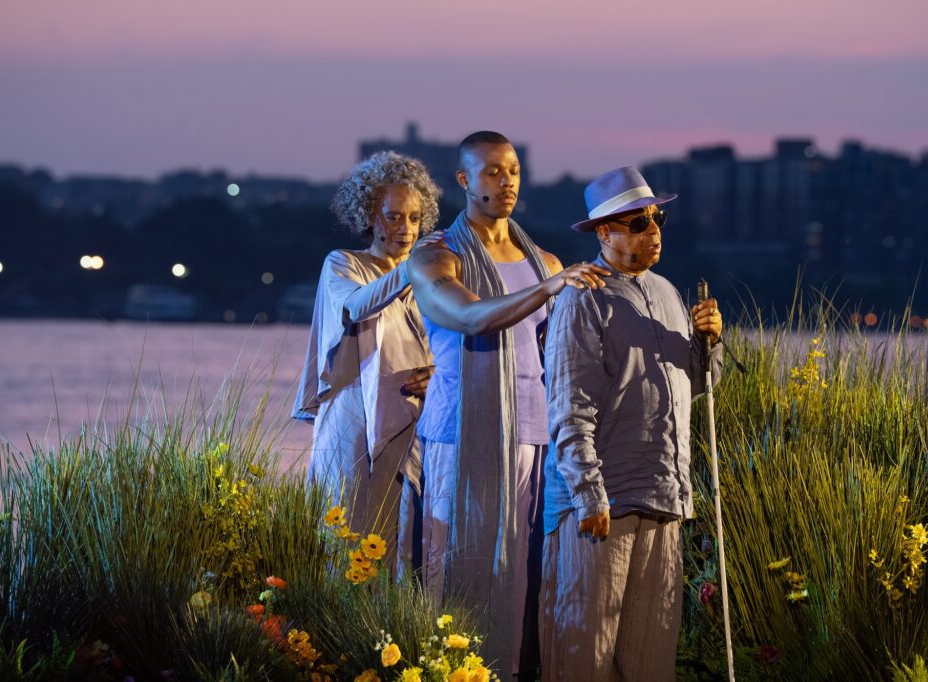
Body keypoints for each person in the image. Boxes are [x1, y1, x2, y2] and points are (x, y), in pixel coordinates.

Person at [407, 131, 609, 678]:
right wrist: (549, 290)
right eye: (492, 171)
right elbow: (471, 317)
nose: (507, 180)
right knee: (456, 567)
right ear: (464, 181)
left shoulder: (543, 260)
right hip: (462, 433)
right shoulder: (433, 257)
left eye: (514, 169)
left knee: (525, 575)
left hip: (537, 433)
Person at [538, 166, 724, 681]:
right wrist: (588, 493)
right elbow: (568, 402)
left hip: (665, 496)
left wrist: (710, 343)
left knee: (650, 657)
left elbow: (698, 385)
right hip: (604, 503)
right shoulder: (582, 297)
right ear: (605, 233)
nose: (654, 230)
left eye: (657, 217)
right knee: (586, 652)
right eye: (638, 222)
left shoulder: (667, 293)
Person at [293, 151, 441, 573]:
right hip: (353, 421)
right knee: (348, 545)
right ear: (369, 214)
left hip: (414, 423)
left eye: (414, 218)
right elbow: (356, 307)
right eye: (393, 217)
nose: (406, 229)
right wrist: (412, 269)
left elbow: (448, 343)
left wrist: (439, 374)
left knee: (405, 550)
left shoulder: (428, 278)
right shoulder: (344, 264)